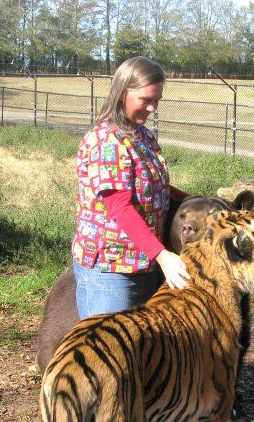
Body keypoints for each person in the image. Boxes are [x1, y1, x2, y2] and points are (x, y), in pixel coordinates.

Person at [72, 56, 190, 320]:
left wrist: (196, 201)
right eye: (146, 100)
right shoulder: (107, 142)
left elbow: (155, 188)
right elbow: (119, 206)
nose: (153, 108)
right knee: (109, 355)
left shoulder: (142, 136)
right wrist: (163, 256)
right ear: (123, 93)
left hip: (143, 265)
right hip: (112, 273)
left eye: (157, 100)